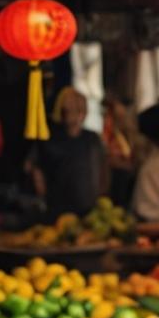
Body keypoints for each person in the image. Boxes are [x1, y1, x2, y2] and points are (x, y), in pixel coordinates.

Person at [27, 88, 109, 221]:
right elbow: (34, 166)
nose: (73, 115)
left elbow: (103, 169)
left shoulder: (92, 139)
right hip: (57, 208)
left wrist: (102, 196)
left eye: (77, 110)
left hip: (88, 208)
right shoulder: (49, 139)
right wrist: (40, 188)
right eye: (68, 110)